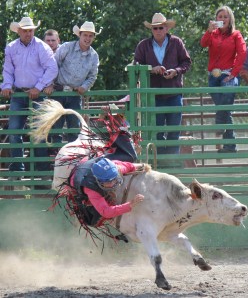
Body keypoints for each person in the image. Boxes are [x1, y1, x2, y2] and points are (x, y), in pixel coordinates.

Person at [0, 16, 58, 178]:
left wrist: (38, 87)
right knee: (14, 131)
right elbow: (8, 70)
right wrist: (6, 85)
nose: (28, 33)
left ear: (33, 30)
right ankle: (18, 169)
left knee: (38, 132)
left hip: (36, 95)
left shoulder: (41, 47)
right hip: (18, 93)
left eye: (30, 30)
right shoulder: (11, 48)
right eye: (25, 30)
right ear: (19, 31)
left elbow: (52, 69)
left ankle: (40, 169)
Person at [134, 12, 191, 158]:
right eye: (155, 28)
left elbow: (186, 62)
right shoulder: (143, 45)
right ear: (151, 30)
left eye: (161, 27)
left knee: (174, 132)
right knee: (157, 133)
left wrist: (176, 71)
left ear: (166, 28)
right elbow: (136, 65)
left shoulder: (177, 42)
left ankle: (171, 164)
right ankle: (160, 164)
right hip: (154, 96)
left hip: (174, 93)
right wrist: (151, 70)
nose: (158, 31)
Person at [200, 6, 246, 153]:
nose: (223, 19)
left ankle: (220, 124)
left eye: (226, 16)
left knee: (227, 94)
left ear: (230, 19)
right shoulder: (212, 33)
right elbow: (203, 44)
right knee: (225, 109)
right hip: (214, 76)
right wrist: (208, 30)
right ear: (216, 19)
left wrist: (234, 73)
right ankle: (230, 146)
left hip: (229, 75)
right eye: (220, 16)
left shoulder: (236, 35)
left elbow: (242, 53)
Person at [47, 21, 100, 143]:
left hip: (75, 94)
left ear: (93, 37)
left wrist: (85, 86)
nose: (87, 38)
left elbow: (92, 76)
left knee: (74, 127)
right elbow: (53, 65)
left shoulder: (94, 56)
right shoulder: (67, 47)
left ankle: (72, 158)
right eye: (85, 35)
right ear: (79, 35)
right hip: (58, 91)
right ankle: (57, 157)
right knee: (56, 127)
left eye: (90, 35)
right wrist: (50, 83)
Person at [69, 157, 145, 227]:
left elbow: (129, 166)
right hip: (79, 177)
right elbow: (106, 212)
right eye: (108, 182)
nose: (112, 184)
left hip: (95, 163)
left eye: (114, 179)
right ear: (98, 181)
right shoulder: (91, 189)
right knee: (91, 220)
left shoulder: (116, 169)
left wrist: (142, 166)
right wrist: (129, 205)